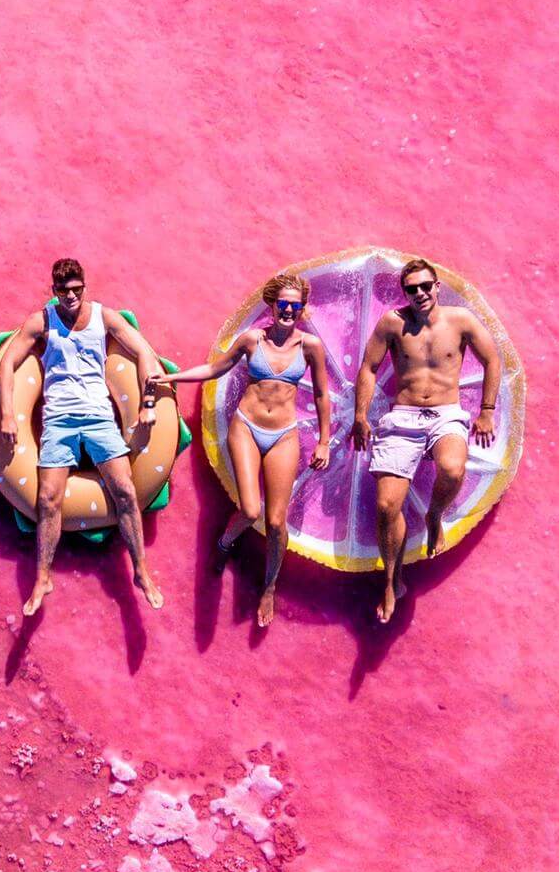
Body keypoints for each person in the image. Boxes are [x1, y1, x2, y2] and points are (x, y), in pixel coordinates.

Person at [0, 257, 166, 617]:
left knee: (126, 491)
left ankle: (141, 572)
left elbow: (143, 352)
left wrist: (147, 404)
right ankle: (42, 578)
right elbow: (7, 365)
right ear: (54, 291)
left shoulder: (105, 317)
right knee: (48, 497)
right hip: (58, 419)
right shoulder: (42, 321)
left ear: (85, 286)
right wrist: (8, 414)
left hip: (100, 417)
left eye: (76, 289)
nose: (71, 296)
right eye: (63, 291)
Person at [165, 273, 332, 627]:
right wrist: (171, 379)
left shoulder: (310, 347)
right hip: (246, 428)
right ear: (272, 306)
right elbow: (215, 368)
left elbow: (320, 394)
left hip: (284, 434)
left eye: (295, 305)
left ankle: (269, 586)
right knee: (250, 509)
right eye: (282, 304)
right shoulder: (253, 340)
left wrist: (323, 440)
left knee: (275, 520)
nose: (288, 310)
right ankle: (226, 542)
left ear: (302, 308)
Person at [351, 257, 501, 624]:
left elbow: (492, 360)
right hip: (402, 417)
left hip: (446, 415)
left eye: (425, 286)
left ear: (437, 287)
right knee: (387, 507)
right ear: (405, 292)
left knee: (452, 467)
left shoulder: (460, 321)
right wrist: (359, 416)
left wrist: (486, 410)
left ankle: (434, 513)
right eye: (411, 288)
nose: (419, 293)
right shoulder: (392, 323)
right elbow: (369, 368)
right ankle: (391, 581)